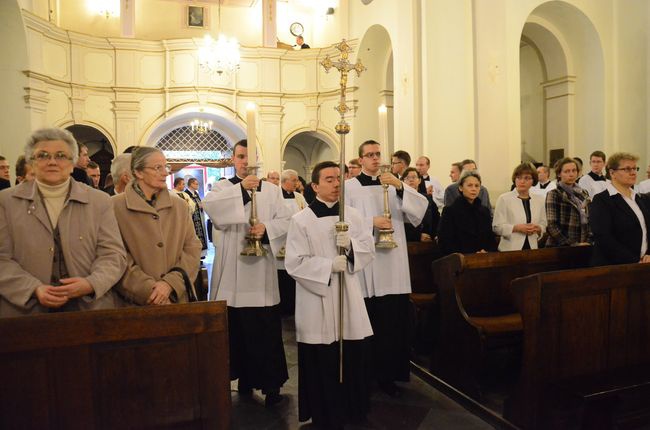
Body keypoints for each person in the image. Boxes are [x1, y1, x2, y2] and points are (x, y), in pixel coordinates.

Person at [0, 127, 126, 317]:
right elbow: (2, 259)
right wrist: (34, 289)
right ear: (31, 162)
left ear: (73, 162)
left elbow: (113, 254)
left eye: (61, 155)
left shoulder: (99, 201)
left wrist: (91, 283)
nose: (52, 162)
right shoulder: (5, 202)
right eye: (42, 155)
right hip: (25, 313)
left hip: (89, 310)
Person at [203, 139, 292, 407]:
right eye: (240, 156)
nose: (244, 161)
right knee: (237, 332)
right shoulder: (223, 186)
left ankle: (271, 386)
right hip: (232, 271)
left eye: (249, 157)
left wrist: (266, 229)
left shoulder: (273, 191)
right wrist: (242, 189)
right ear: (233, 159)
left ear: (258, 161)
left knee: (264, 331)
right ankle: (241, 378)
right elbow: (215, 211)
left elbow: (287, 220)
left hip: (261, 272)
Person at [285, 161, 374, 429]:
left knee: (351, 353)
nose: (336, 183)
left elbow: (367, 249)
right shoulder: (301, 220)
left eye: (338, 178)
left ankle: (352, 408)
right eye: (328, 179)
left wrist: (351, 250)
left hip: (348, 293)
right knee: (323, 358)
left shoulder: (353, 216)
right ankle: (324, 411)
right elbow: (294, 262)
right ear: (315, 186)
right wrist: (326, 266)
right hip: (318, 298)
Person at [345, 140, 428, 396]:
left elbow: (419, 211)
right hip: (367, 265)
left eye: (377, 154)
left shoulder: (393, 184)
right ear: (360, 160)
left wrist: (401, 186)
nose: (374, 158)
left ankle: (389, 375)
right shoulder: (349, 187)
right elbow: (342, 221)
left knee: (392, 323)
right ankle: (365, 375)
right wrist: (371, 221)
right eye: (369, 154)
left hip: (392, 265)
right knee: (368, 320)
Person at [112, 147, 201, 306]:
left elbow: (192, 249)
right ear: (138, 172)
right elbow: (116, 257)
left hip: (175, 300)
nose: (166, 173)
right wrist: (150, 291)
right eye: (157, 168)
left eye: (166, 167)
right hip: (134, 303)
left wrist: (170, 284)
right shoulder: (115, 206)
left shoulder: (179, 206)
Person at [589, 152, 650, 266]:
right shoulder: (602, 200)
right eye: (627, 169)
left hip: (643, 265)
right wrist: (635, 260)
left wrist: (648, 254)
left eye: (634, 168)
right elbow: (603, 237)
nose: (633, 173)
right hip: (614, 267)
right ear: (612, 173)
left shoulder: (639, 198)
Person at [438, 170, 497, 255]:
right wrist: (471, 254)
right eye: (470, 185)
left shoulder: (484, 211)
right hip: (460, 260)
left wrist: (486, 251)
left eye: (477, 186)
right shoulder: (450, 211)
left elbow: (490, 238)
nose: (474, 189)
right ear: (461, 188)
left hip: (483, 258)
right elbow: (446, 241)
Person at [493, 163, 547, 251]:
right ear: (515, 179)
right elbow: (496, 227)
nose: (522, 181)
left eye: (527, 178)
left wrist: (538, 228)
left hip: (532, 247)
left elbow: (544, 223)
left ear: (533, 180)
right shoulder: (504, 198)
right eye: (519, 177)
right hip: (510, 249)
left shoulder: (540, 200)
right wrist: (516, 228)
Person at [276, 169, 307, 316]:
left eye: (297, 180)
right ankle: (283, 306)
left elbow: (306, 213)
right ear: (284, 181)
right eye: (294, 180)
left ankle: (293, 305)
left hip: (297, 239)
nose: (297, 183)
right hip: (281, 239)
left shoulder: (299, 197)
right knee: (281, 275)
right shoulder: (275, 197)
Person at [545, 157, 591, 247]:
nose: (571, 174)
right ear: (559, 174)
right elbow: (552, 226)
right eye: (567, 171)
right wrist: (572, 244)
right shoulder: (554, 194)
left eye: (574, 171)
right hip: (561, 246)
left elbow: (589, 219)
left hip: (584, 243)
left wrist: (589, 240)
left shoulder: (583, 193)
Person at [401, 167, 439, 242]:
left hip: (429, 240)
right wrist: (417, 235)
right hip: (410, 241)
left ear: (419, 180)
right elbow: (399, 224)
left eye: (414, 177)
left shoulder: (427, 198)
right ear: (403, 181)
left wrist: (436, 235)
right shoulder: (400, 199)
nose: (411, 180)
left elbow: (436, 218)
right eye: (407, 178)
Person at [185, 177, 208, 253]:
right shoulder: (186, 194)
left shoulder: (196, 193)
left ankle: (201, 254)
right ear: (191, 184)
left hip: (199, 218)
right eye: (196, 184)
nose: (198, 185)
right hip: (192, 219)